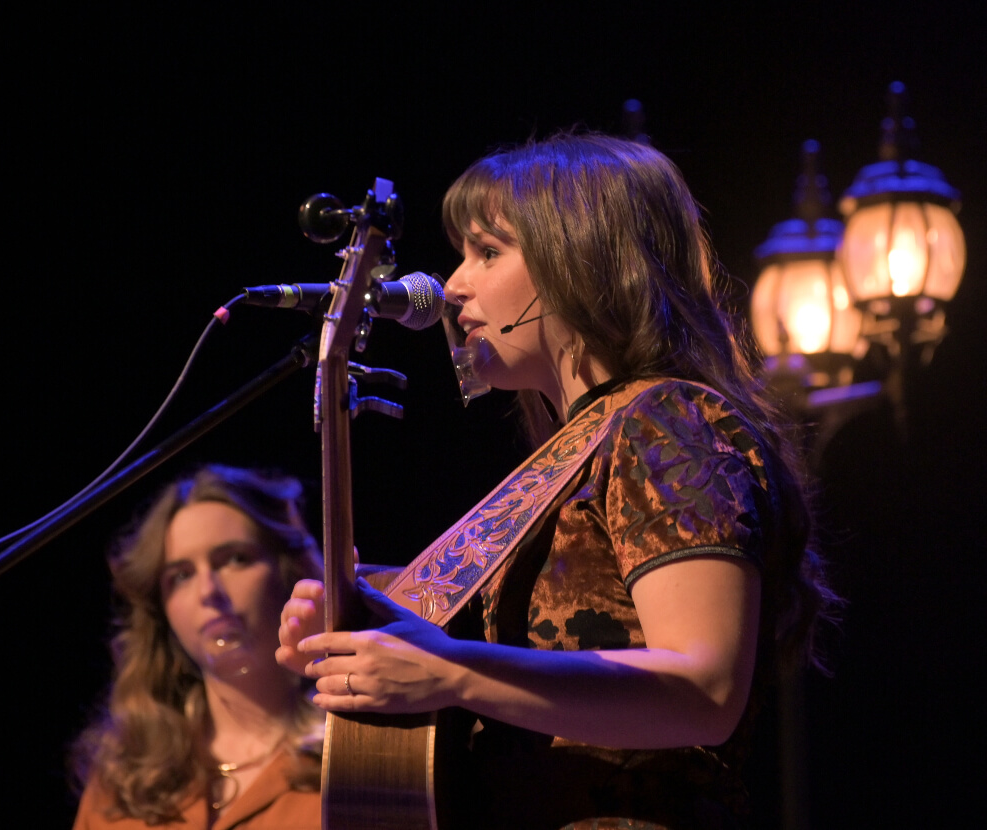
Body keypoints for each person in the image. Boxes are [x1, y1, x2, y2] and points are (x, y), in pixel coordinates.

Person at [276, 132, 839, 829]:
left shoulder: (667, 420)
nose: (453, 284)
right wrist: (374, 623)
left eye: (488, 251)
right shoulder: (579, 445)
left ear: (581, 261)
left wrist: (450, 670)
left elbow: (704, 688)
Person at [71, 465, 325, 830]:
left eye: (235, 559)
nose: (209, 592)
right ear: (162, 609)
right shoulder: (125, 777)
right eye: (182, 575)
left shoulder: (353, 757)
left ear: (290, 573)